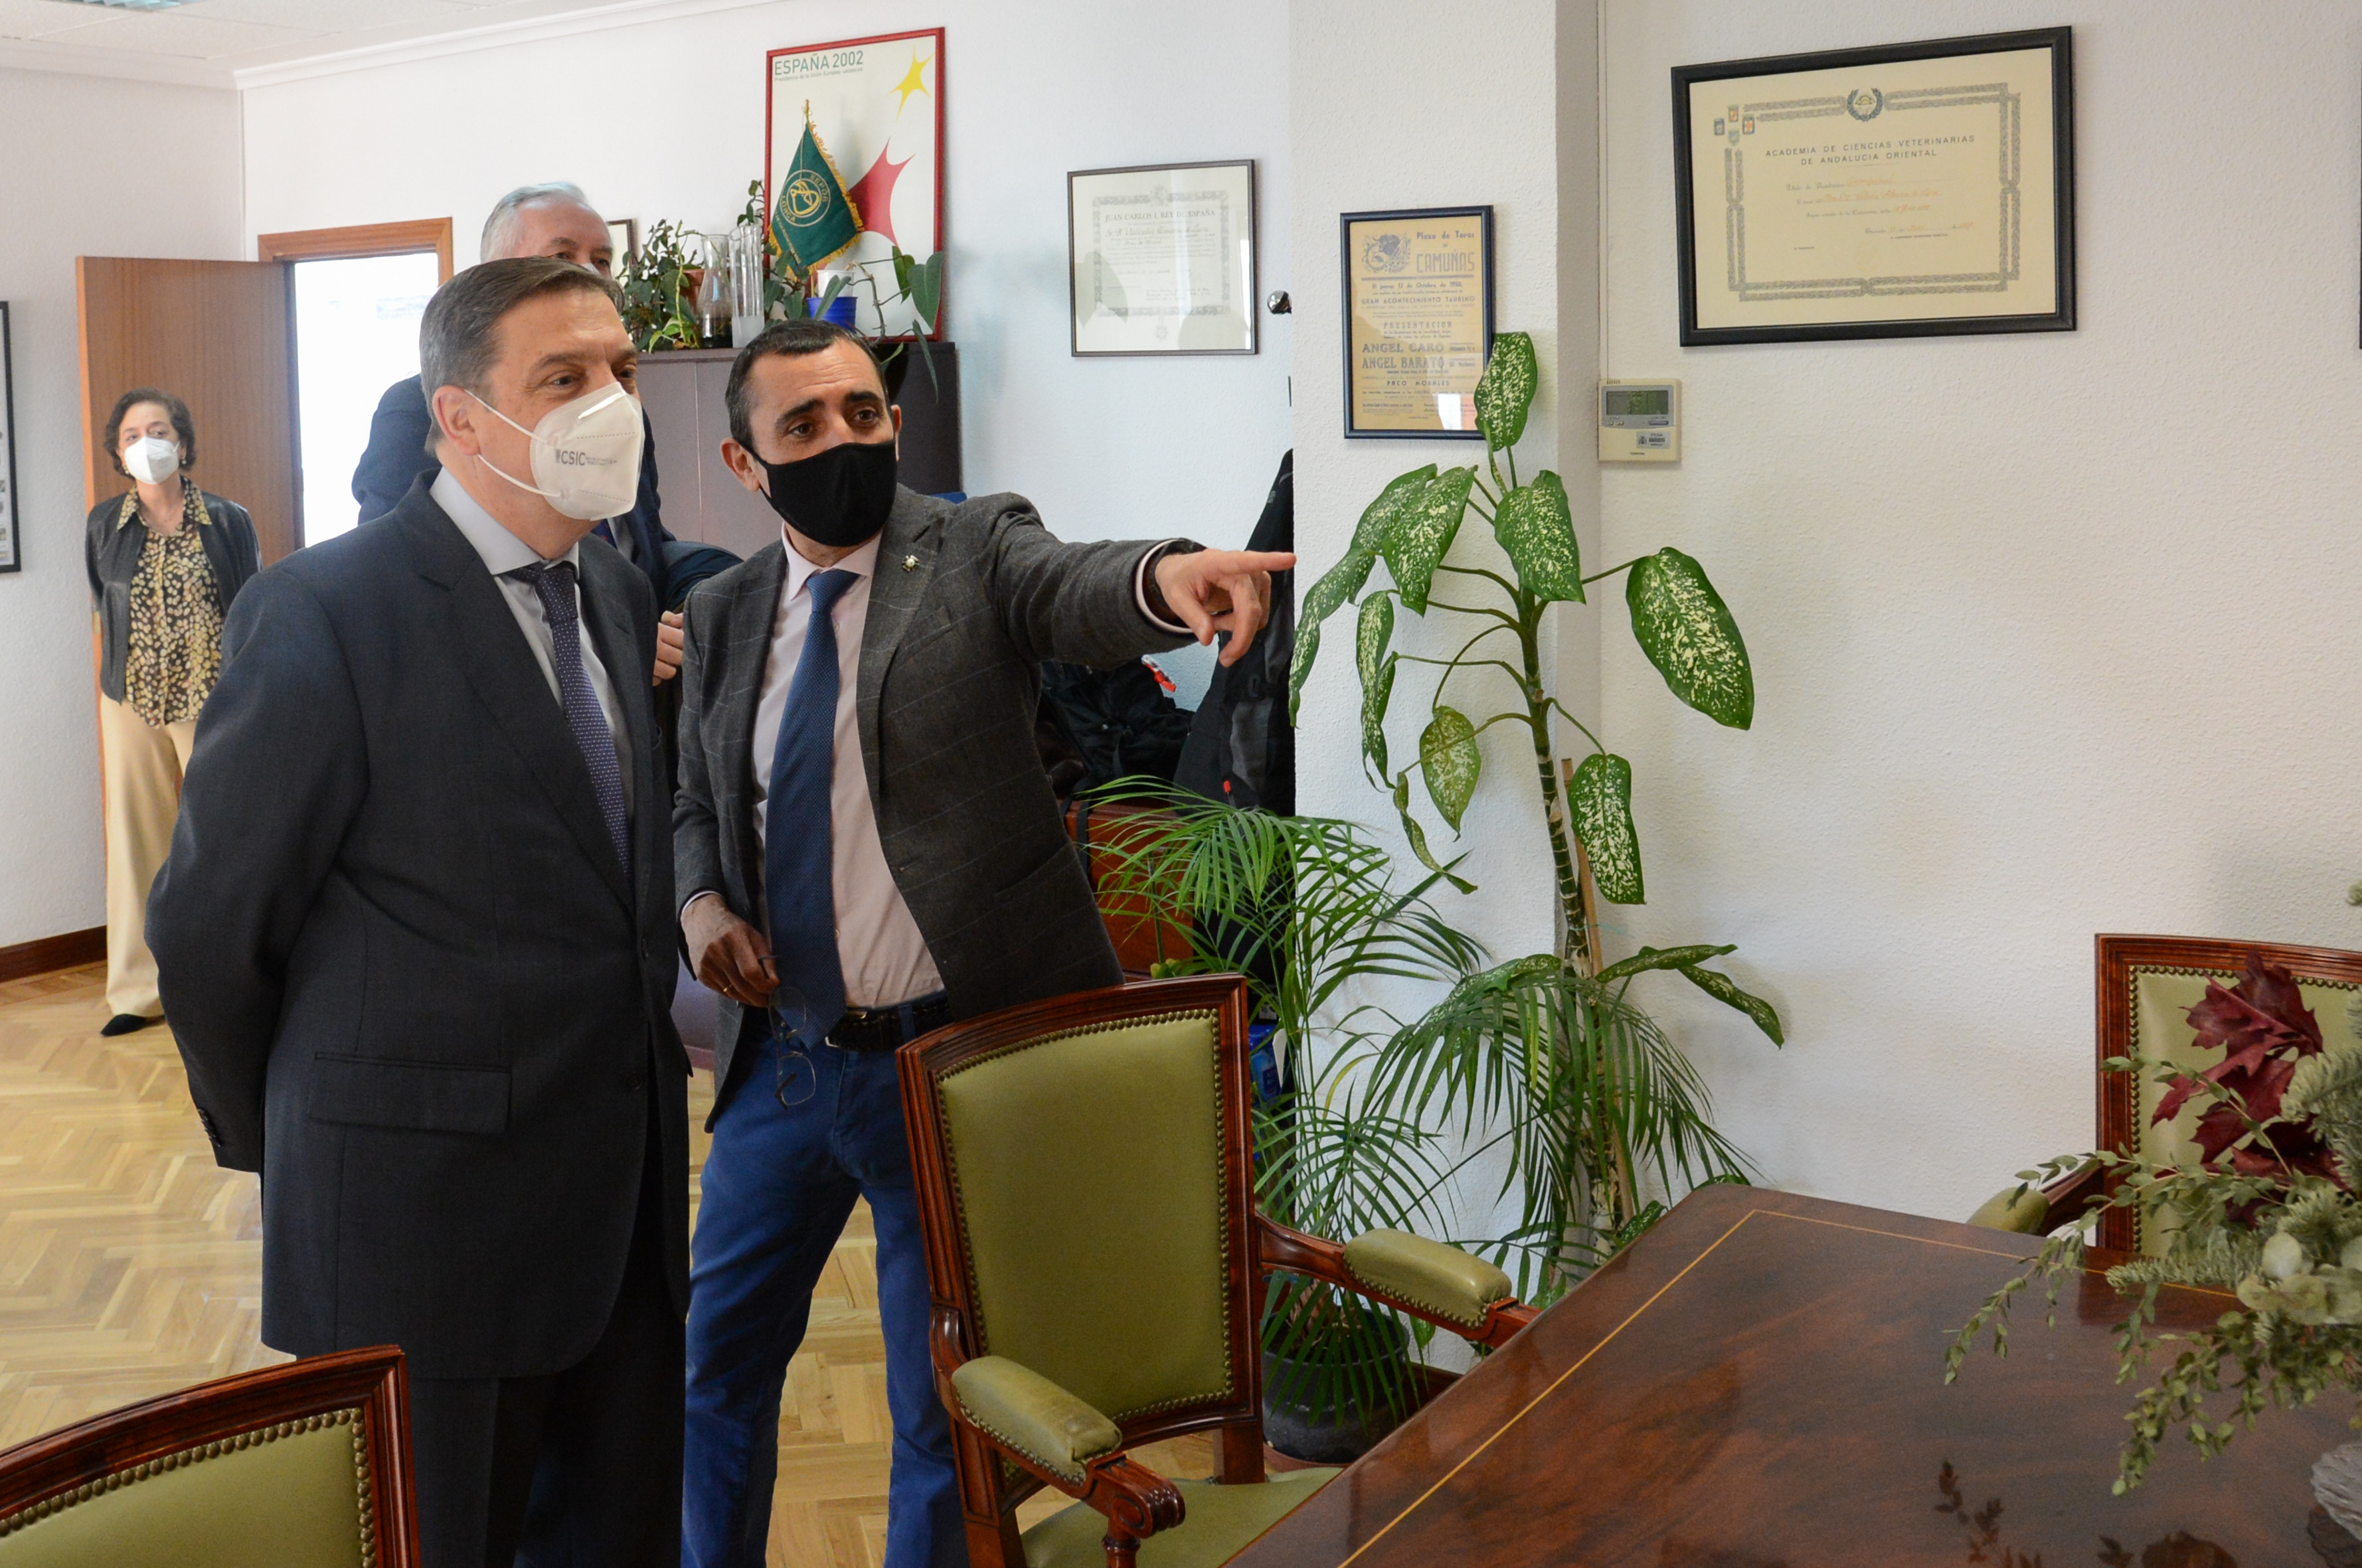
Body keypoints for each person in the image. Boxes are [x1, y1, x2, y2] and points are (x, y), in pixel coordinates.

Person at [673, 317, 1293, 1568]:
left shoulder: (968, 547)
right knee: (712, 1373)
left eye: (862, 413)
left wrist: (1168, 577)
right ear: (746, 463)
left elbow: (1068, 584)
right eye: (803, 425)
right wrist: (700, 909)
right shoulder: (725, 612)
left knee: (941, 1411)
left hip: (951, 1066)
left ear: (894, 422)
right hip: (782, 1068)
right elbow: (697, 801)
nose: (842, 440)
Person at [148, 258, 689, 1568]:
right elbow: (212, 928)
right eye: (563, 377)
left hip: (619, 1216)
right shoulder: (323, 611)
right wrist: (300, 1137)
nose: (610, 401)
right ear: (458, 417)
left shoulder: (616, 593)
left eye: (619, 369)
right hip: (420, 1227)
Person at [351, 181, 684, 684]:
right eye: (562, 256)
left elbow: (644, 542)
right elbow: (400, 567)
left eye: (601, 259)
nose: (588, 273)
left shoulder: (620, 406)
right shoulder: (412, 409)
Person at [83, 390, 260, 1038]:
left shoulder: (229, 521)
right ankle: (137, 991)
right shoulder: (104, 524)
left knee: (221, 838)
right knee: (136, 841)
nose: (146, 443)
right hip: (130, 698)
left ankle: (231, 979)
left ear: (182, 444)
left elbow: (251, 607)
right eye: (132, 435)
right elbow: (101, 605)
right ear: (118, 451)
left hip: (211, 697)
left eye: (158, 430)